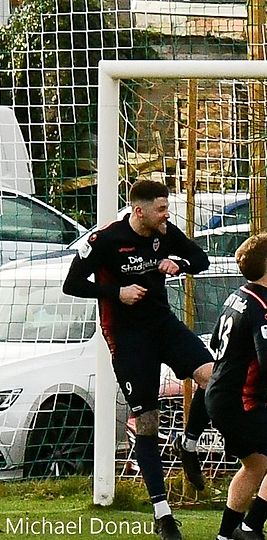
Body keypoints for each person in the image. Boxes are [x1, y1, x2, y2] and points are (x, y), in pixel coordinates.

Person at [62, 179, 214, 540]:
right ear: (139, 211)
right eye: (161, 209)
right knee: (147, 421)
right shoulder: (105, 239)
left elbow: (201, 259)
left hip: (163, 325)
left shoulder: (164, 233)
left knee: (213, 377)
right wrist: (117, 291)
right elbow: (72, 284)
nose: (166, 215)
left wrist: (177, 263)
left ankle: (189, 443)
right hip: (128, 338)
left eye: (167, 208)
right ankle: (163, 514)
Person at [206, 234, 267, 540]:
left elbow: (215, 342)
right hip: (241, 401)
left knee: (255, 463)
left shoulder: (237, 296)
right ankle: (250, 528)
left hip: (220, 396)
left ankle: (225, 535)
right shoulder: (262, 308)